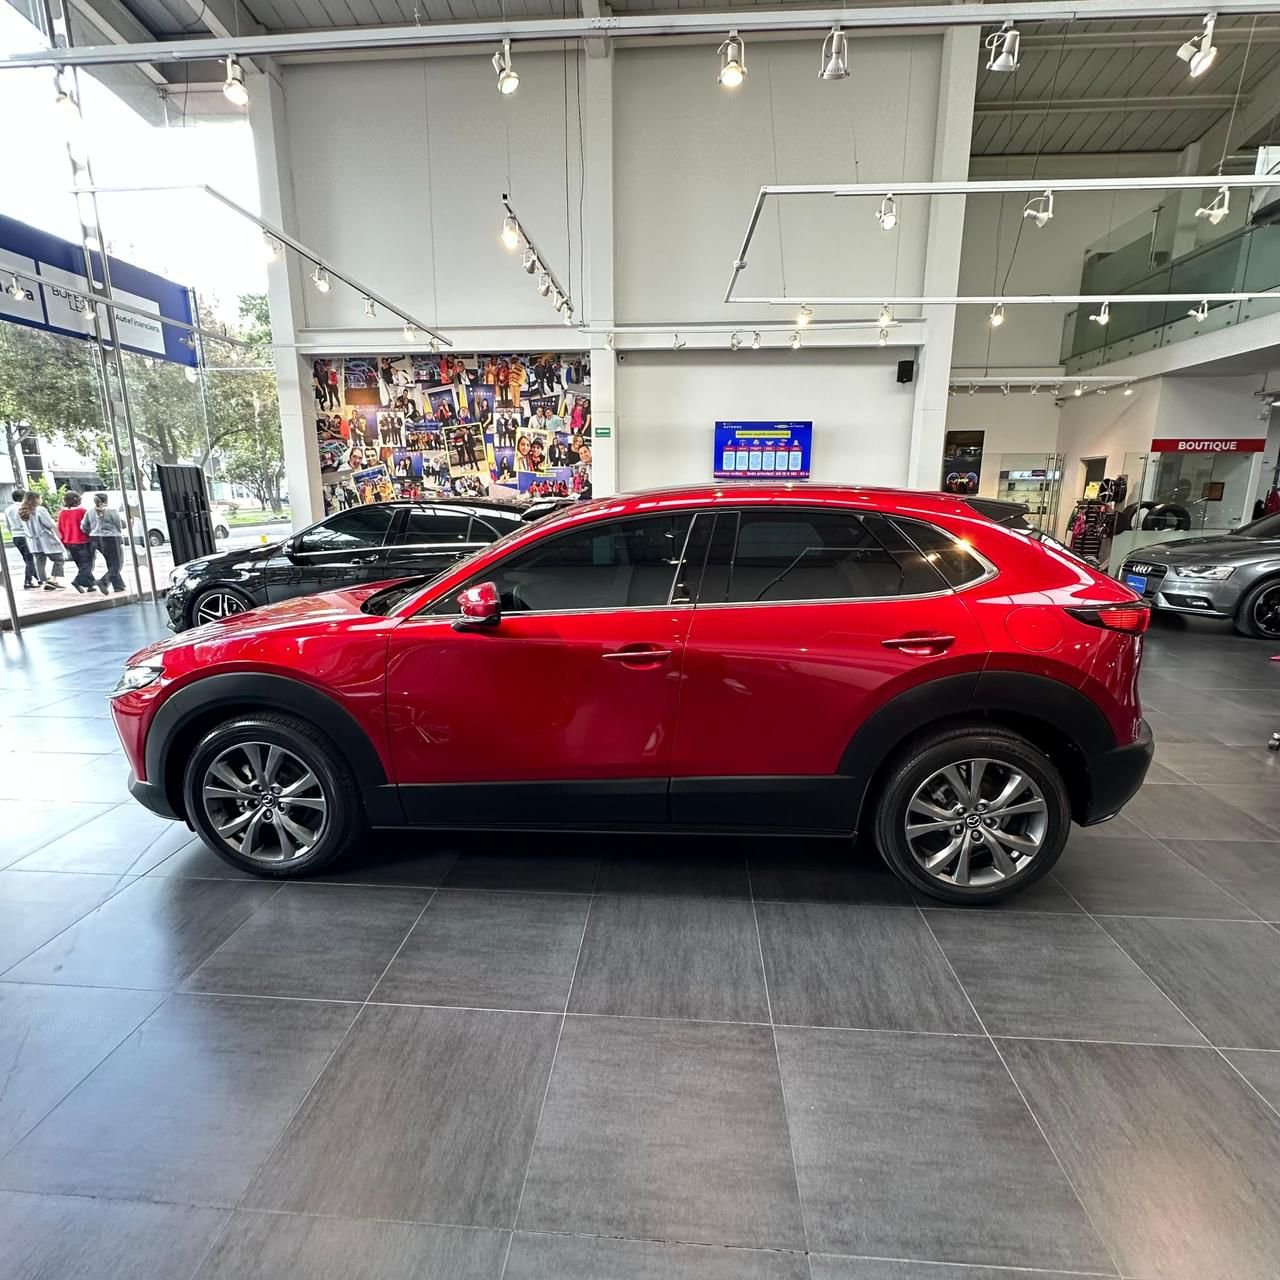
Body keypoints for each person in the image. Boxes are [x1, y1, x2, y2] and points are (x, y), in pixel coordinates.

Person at [19, 492, 65, 590]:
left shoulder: (22, 511)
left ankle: (43, 582)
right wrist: (59, 535)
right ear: (36, 499)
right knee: (59, 559)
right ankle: (52, 580)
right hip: (45, 539)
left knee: (40, 562)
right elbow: (50, 524)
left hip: (33, 541)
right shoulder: (40, 510)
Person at [82, 492, 126, 594]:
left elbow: (84, 526)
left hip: (95, 539)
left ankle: (118, 586)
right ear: (106, 500)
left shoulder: (89, 512)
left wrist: (92, 532)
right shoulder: (111, 511)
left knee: (111, 562)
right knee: (117, 564)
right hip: (111, 538)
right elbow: (119, 524)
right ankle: (103, 581)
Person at [58, 490, 95, 593]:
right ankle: (77, 581)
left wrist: (63, 541)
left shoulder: (62, 512)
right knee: (88, 564)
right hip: (83, 540)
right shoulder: (82, 511)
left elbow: (60, 528)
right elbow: (88, 526)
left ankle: (90, 584)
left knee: (81, 564)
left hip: (69, 542)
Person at [4, 486, 38, 589]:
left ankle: (38, 577)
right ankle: (28, 581)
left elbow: (7, 525)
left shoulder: (8, 509)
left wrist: (12, 533)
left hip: (16, 536)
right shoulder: (25, 508)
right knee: (30, 559)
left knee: (27, 558)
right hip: (25, 535)